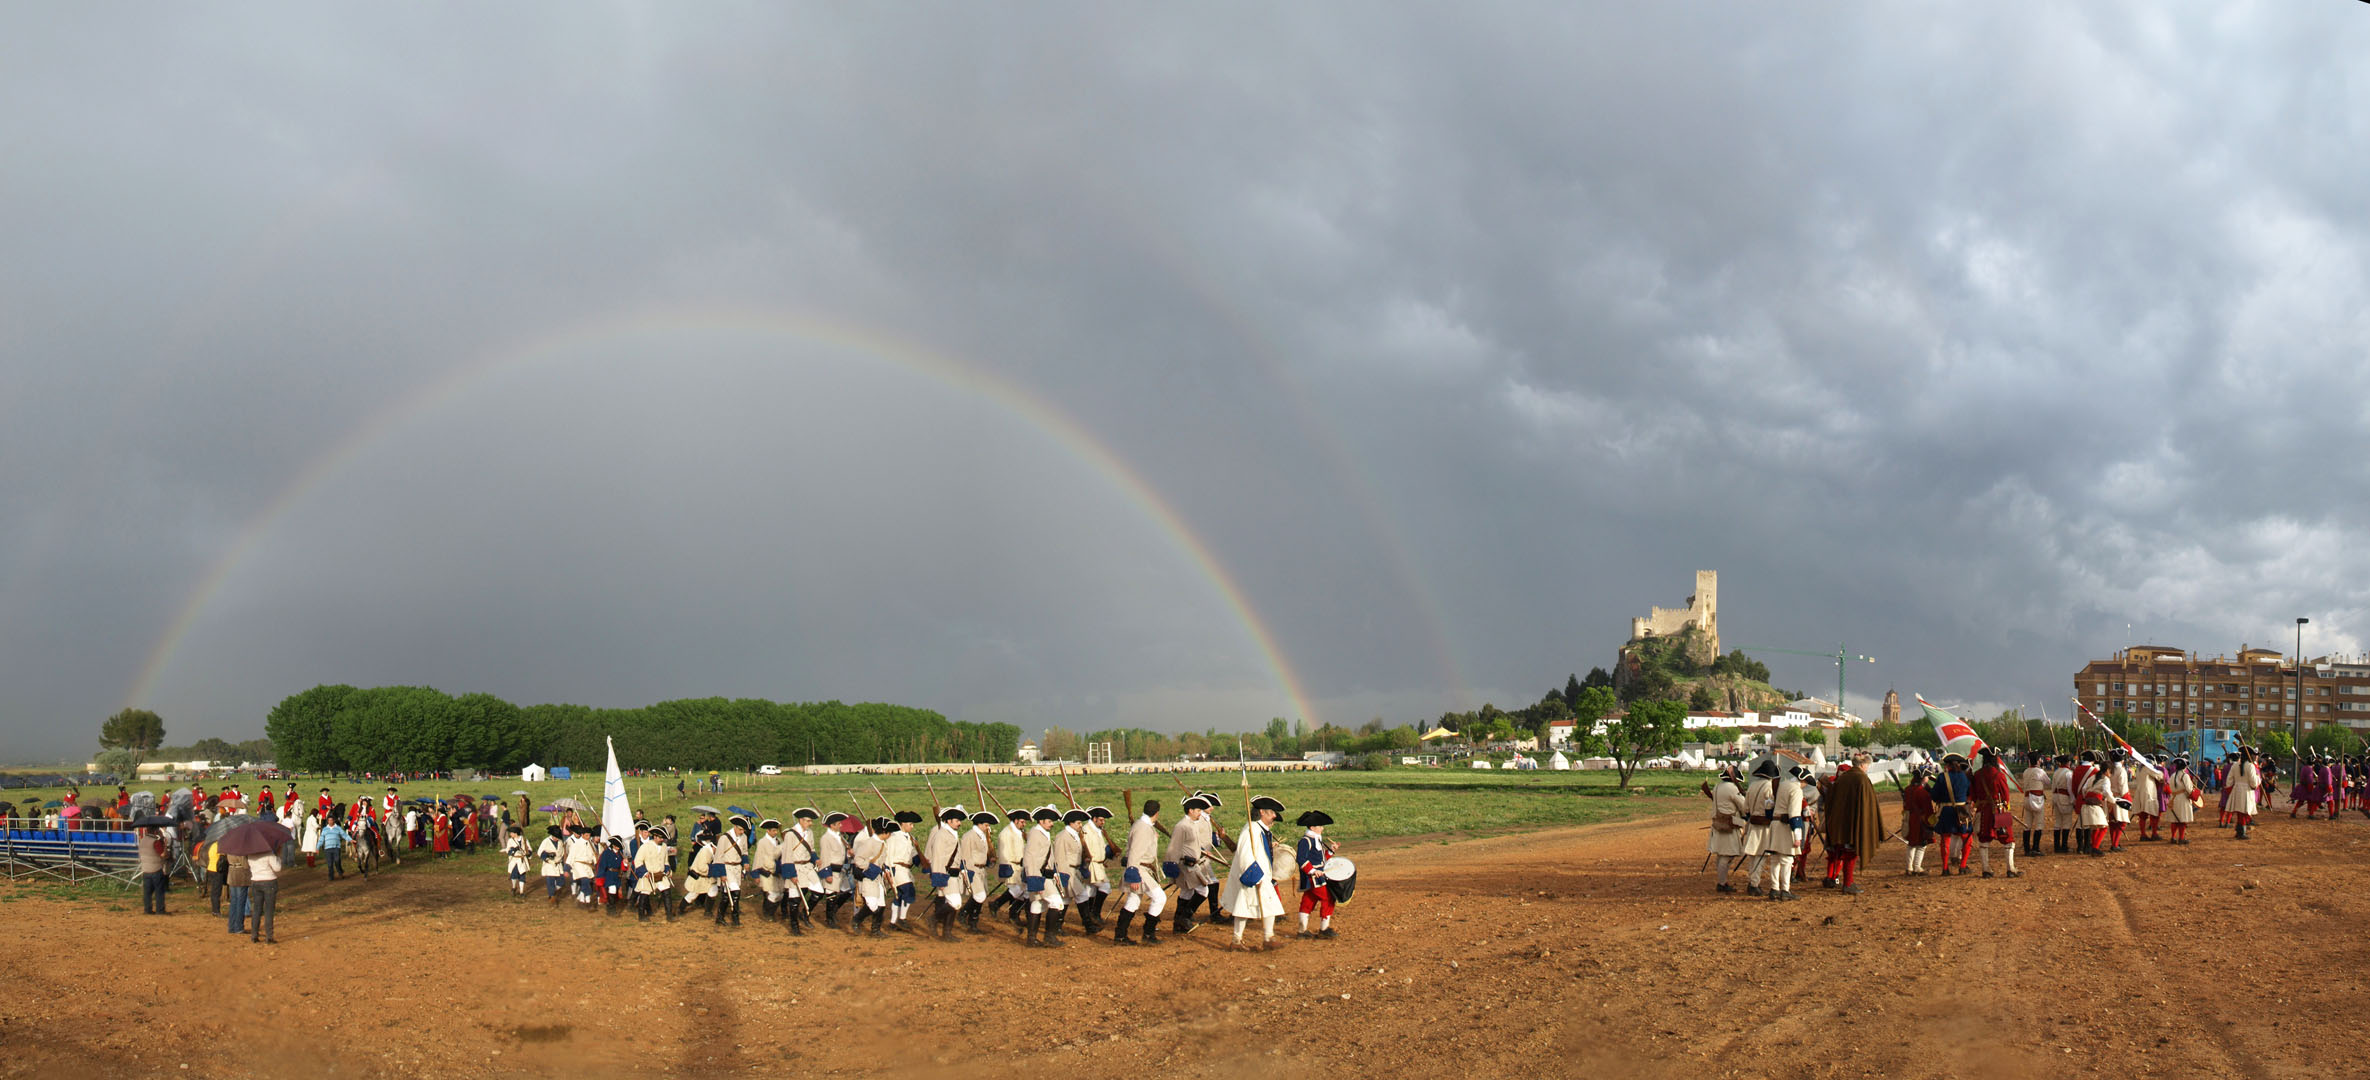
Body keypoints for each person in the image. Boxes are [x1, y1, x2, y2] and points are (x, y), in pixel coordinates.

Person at [1218, 795, 1286, 948]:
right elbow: (1245, 853)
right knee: (1244, 907)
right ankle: (1238, 940)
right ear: (1262, 812)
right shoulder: (1251, 829)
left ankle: (1268, 938)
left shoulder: (1260, 829)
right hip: (1253, 875)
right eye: (1272, 813)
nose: (1275, 816)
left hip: (1262, 875)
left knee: (1269, 904)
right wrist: (1254, 876)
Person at [1818, 754, 1884, 894]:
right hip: (1853, 823)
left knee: (1847, 853)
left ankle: (1847, 882)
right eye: (1867, 765)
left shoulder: (1843, 778)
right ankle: (1848, 884)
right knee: (1851, 853)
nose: (1867, 768)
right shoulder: (1861, 778)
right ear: (1862, 765)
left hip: (1841, 824)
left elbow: (1833, 799)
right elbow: (1867, 804)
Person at [1166, 792, 1221, 933]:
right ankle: (1184, 917)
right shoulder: (1182, 826)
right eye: (1198, 810)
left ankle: (1178, 925)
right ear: (1190, 810)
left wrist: (1202, 850)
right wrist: (1171, 865)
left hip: (1193, 863)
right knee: (1203, 890)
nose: (1199, 813)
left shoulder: (1192, 824)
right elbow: (1173, 847)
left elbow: (1193, 843)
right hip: (1186, 865)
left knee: (1186, 892)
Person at [1114, 799, 1165, 946]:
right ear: (1156, 813)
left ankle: (1120, 935)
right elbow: (1135, 853)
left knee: (1133, 900)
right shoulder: (1143, 828)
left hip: (1141, 868)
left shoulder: (1142, 825)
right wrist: (1133, 875)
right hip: (1138, 868)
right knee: (1160, 897)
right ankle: (1148, 933)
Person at [1969, 748, 2019, 879]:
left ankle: (1986, 869)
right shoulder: (1999, 774)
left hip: (1983, 811)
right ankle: (2010, 869)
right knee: (2008, 840)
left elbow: (1974, 795)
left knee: (1984, 839)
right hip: (1999, 809)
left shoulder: (1977, 774)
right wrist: (2006, 806)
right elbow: (2005, 795)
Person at [1020, 805, 1064, 947]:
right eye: (1050, 821)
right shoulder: (1036, 834)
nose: (1052, 824)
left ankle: (1031, 939)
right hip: (1038, 875)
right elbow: (1030, 858)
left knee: (1037, 904)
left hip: (1044, 875)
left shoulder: (1042, 833)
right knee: (1057, 903)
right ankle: (1049, 937)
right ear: (1041, 821)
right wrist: (1034, 880)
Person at [1293, 810, 1339, 937]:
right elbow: (1301, 859)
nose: (1322, 828)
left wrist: (1331, 851)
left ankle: (1302, 931)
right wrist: (1313, 871)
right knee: (1328, 898)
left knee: (1309, 900)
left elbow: (1321, 860)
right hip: (1313, 877)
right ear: (1312, 827)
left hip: (1316, 875)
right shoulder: (1306, 841)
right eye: (1320, 826)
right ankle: (1324, 929)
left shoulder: (1316, 839)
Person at [924, 807, 966, 940]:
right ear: (948, 821)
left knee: (952, 903)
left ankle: (947, 933)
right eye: (957, 820)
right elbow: (937, 857)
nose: (959, 823)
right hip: (945, 874)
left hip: (953, 874)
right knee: (955, 903)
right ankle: (934, 919)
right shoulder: (942, 835)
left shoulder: (952, 833)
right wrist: (938, 878)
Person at [1704, 766, 1747, 894]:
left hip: (1718, 823)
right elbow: (1744, 806)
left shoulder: (1718, 787)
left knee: (1722, 855)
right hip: (1729, 824)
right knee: (1727, 855)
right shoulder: (1732, 788)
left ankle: (1722, 881)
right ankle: (1722, 883)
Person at [1740, 760, 1777, 894]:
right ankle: (1754, 885)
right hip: (1764, 826)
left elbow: (1745, 808)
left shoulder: (1752, 786)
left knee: (1753, 856)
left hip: (1753, 824)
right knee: (1761, 855)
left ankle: (1753, 882)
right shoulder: (1770, 787)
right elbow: (1771, 807)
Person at [1931, 755, 1973, 875]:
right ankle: (1963, 866)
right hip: (1962, 810)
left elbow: (1934, 796)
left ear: (1947, 765)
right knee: (1967, 838)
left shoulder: (1942, 777)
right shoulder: (1964, 777)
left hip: (1946, 811)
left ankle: (1945, 869)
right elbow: (1969, 792)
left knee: (1945, 840)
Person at [958, 809, 997, 935]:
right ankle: (968, 918)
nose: (987, 827)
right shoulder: (969, 836)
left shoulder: (982, 836)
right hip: (972, 868)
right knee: (980, 896)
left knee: (981, 895)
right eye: (986, 825)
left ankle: (969, 918)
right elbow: (965, 855)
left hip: (981, 869)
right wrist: (967, 872)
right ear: (979, 824)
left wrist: (988, 860)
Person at [885, 810, 923, 934]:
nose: (912, 826)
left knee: (900, 896)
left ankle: (893, 922)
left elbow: (912, 853)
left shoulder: (908, 838)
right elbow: (888, 854)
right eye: (910, 824)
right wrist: (889, 871)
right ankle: (902, 919)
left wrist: (921, 859)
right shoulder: (894, 837)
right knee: (908, 891)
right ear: (902, 823)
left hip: (905, 869)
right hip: (896, 868)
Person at [992, 807, 1030, 926]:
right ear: (1016, 820)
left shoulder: (1018, 832)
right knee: (1017, 890)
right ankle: (999, 906)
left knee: (1020, 891)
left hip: (1019, 866)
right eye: (1022, 822)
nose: (1024, 824)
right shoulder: (1006, 833)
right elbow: (1004, 852)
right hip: (1011, 865)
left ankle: (1012, 914)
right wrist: (1008, 867)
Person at [817, 812, 853, 929]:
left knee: (847, 891)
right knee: (830, 895)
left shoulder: (838, 837)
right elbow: (825, 857)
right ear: (832, 825)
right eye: (838, 824)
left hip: (840, 870)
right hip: (831, 870)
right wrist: (827, 873)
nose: (841, 825)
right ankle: (829, 919)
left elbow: (839, 854)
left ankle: (833, 913)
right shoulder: (826, 838)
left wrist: (848, 854)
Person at [713, 816, 751, 927]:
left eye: (743, 830)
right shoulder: (724, 838)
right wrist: (722, 874)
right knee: (736, 892)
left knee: (726, 894)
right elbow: (718, 857)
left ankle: (720, 917)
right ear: (735, 827)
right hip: (727, 868)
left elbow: (744, 852)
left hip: (736, 869)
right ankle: (735, 919)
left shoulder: (743, 837)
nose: (742, 832)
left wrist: (746, 862)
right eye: (740, 829)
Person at [2075, 751, 2111, 855]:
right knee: (2095, 825)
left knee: (2081, 825)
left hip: (2082, 800)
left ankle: (2080, 847)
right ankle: (2091, 846)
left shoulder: (2077, 769)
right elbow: (2106, 791)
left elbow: (2079, 787)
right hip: (2094, 802)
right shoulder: (2094, 771)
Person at [2018, 751, 2052, 858]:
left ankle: (2027, 849)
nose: (2041, 761)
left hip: (2027, 799)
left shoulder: (2026, 771)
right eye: (2040, 759)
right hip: (2037, 799)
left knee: (2027, 825)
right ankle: (2035, 848)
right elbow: (2048, 782)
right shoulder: (2040, 771)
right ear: (2037, 760)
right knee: (2039, 824)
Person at [751, 819, 785, 922]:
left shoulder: (778, 840)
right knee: (771, 894)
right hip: (766, 871)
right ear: (768, 831)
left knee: (780, 895)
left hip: (777, 871)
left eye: (776, 830)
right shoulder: (762, 842)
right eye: (773, 830)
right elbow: (758, 858)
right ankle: (767, 914)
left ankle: (770, 912)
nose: (775, 832)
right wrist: (756, 875)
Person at [247, 846, 282, 944]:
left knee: (257, 909)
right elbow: (277, 868)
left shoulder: (250, 855)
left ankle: (254, 935)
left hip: (255, 881)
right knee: (269, 910)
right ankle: (269, 937)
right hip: (269, 881)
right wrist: (278, 856)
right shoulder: (269, 854)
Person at [2226, 746, 2261, 840]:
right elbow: (2253, 783)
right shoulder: (2250, 766)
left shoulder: (2235, 765)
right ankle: (2241, 832)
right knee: (2244, 812)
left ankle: (2240, 831)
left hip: (2237, 790)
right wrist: (2258, 779)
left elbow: (2228, 781)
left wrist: (2232, 789)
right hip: (2247, 791)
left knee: (2240, 813)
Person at [137, 823, 171, 915]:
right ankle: (160, 910)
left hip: (145, 869)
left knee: (147, 892)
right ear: (155, 830)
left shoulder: (142, 840)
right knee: (159, 891)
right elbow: (163, 855)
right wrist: (165, 844)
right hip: (156, 869)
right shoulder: (156, 841)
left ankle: (147, 909)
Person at [2166, 757, 2199, 845]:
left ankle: (2173, 837)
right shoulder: (2185, 776)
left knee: (2175, 820)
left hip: (2173, 798)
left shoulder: (2172, 775)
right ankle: (2181, 838)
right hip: (2182, 799)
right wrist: (2197, 793)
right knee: (2182, 820)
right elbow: (2189, 789)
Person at [2049, 753, 2077, 853]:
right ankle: (2064, 846)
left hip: (2055, 797)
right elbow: (2070, 789)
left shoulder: (2056, 772)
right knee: (2066, 822)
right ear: (2069, 762)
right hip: (2064, 798)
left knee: (2057, 822)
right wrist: (2073, 801)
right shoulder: (2068, 773)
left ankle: (2057, 846)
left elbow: (2052, 787)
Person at [536, 825, 566, 903]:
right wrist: (547, 857)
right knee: (550, 880)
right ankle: (551, 895)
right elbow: (540, 852)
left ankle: (555, 890)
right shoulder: (546, 841)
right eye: (555, 836)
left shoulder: (560, 841)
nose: (556, 838)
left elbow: (562, 853)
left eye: (557, 837)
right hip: (549, 864)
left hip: (558, 864)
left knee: (561, 881)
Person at [225, 852, 251, 935]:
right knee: (240, 902)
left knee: (234, 901)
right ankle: (239, 927)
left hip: (232, 874)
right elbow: (245, 865)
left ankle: (232, 926)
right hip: (240, 875)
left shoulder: (229, 848)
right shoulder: (240, 850)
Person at [318, 816, 351, 881]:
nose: (330, 822)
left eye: (331, 820)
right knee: (330, 863)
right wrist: (317, 847)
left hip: (336, 847)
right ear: (327, 821)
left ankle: (340, 872)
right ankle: (331, 876)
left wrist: (351, 840)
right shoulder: (325, 829)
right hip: (327, 848)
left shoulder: (338, 828)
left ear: (334, 821)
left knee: (337, 860)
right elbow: (321, 839)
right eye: (329, 820)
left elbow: (344, 835)